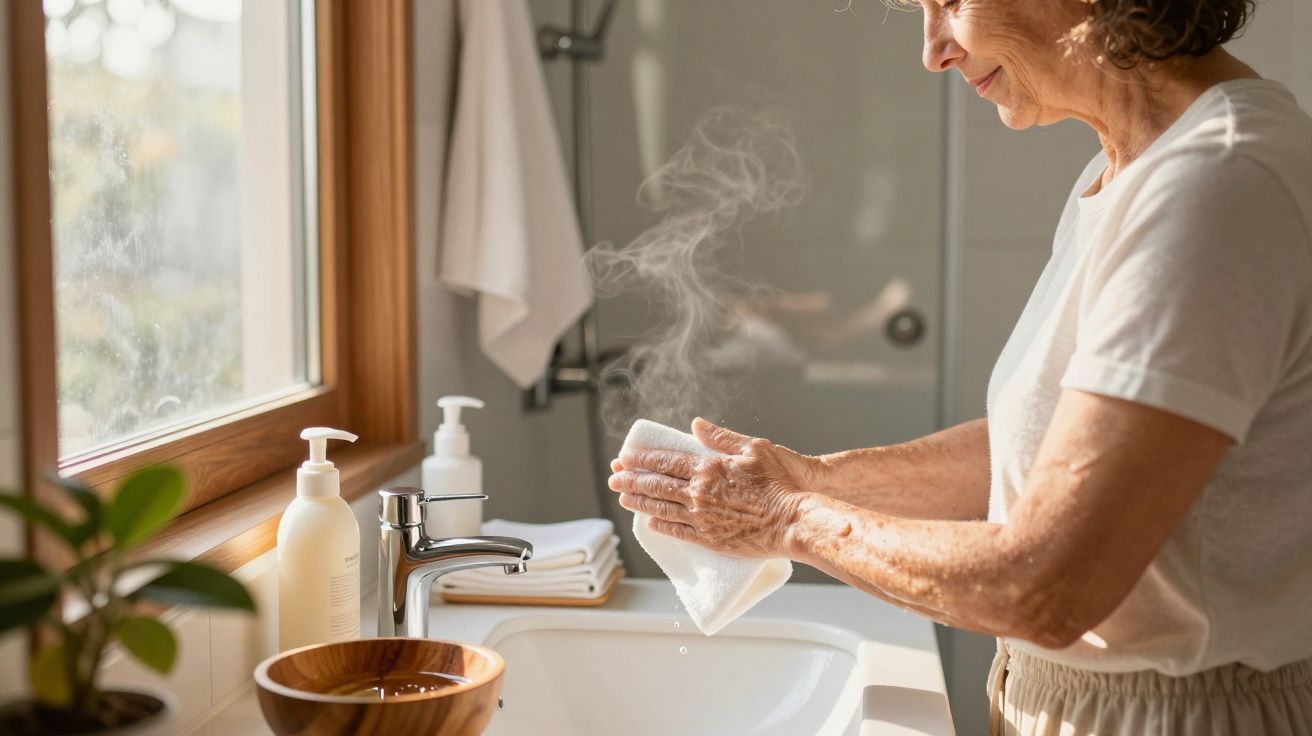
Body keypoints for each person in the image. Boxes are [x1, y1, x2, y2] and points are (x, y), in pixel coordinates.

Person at [607, 0, 1312, 732]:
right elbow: (1050, 457)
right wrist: (810, 480)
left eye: (950, 2)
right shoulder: (1132, 169)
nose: (932, 51)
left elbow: (1048, 583)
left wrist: (788, 518)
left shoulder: (1217, 183)